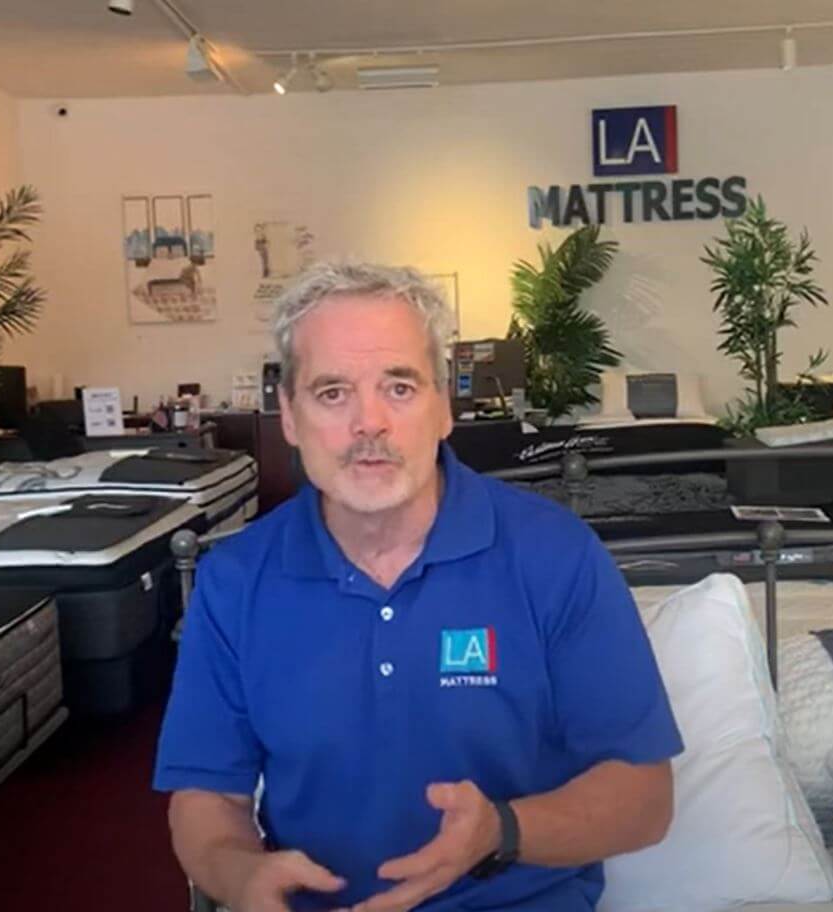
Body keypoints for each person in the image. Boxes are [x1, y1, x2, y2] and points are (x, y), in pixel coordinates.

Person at [154, 262, 683, 912]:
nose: (368, 422)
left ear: (442, 408)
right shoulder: (235, 580)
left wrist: (502, 830)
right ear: (288, 416)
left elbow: (644, 798)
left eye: (398, 388)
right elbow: (207, 796)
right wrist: (241, 877)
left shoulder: (554, 555)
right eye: (332, 393)